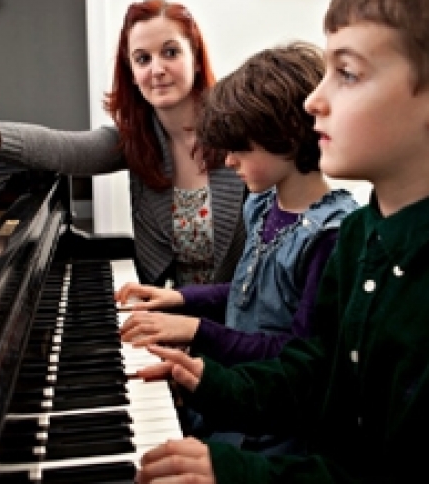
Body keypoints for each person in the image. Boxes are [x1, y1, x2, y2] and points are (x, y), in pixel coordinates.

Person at [135, 0, 429, 482]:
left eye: (346, 73)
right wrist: (210, 380)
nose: (313, 99)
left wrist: (244, 473)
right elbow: (316, 372)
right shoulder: (363, 234)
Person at [116, 42, 358, 455]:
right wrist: (178, 299)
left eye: (239, 148)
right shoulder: (262, 204)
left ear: (285, 136)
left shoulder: (330, 236)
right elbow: (252, 290)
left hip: (276, 427)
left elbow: (298, 356)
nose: (228, 161)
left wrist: (197, 330)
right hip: (232, 395)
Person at [0, 0, 247, 288]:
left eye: (170, 52)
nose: (156, 69)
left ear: (197, 58)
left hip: (239, 324)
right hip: (172, 317)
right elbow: (60, 148)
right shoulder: (136, 141)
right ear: (131, 72)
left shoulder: (241, 134)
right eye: (142, 59)